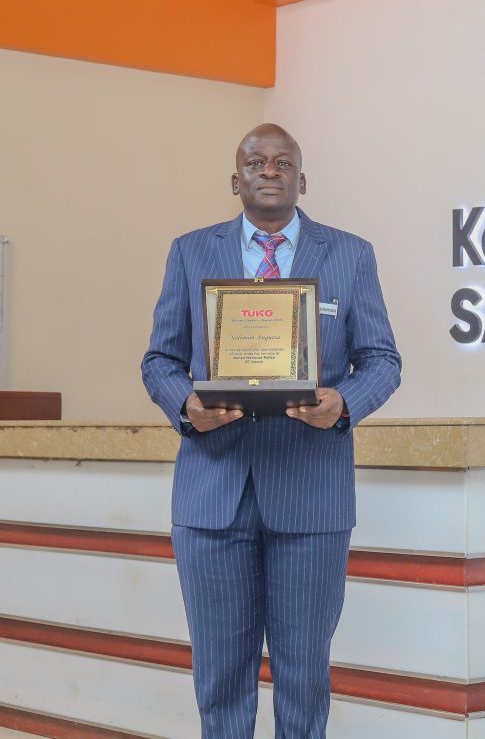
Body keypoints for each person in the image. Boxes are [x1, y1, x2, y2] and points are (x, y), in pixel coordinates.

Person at [141, 123, 401, 737]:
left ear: (301, 180)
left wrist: (342, 404)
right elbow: (159, 360)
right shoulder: (190, 252)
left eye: (283, 162)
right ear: (236, 180)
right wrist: (187, 405)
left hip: (312, 496)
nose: (269, 170)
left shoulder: (349, 254)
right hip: (212, 495)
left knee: (304, 676)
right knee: (221, 678)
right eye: (256, 161)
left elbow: (384, 361)